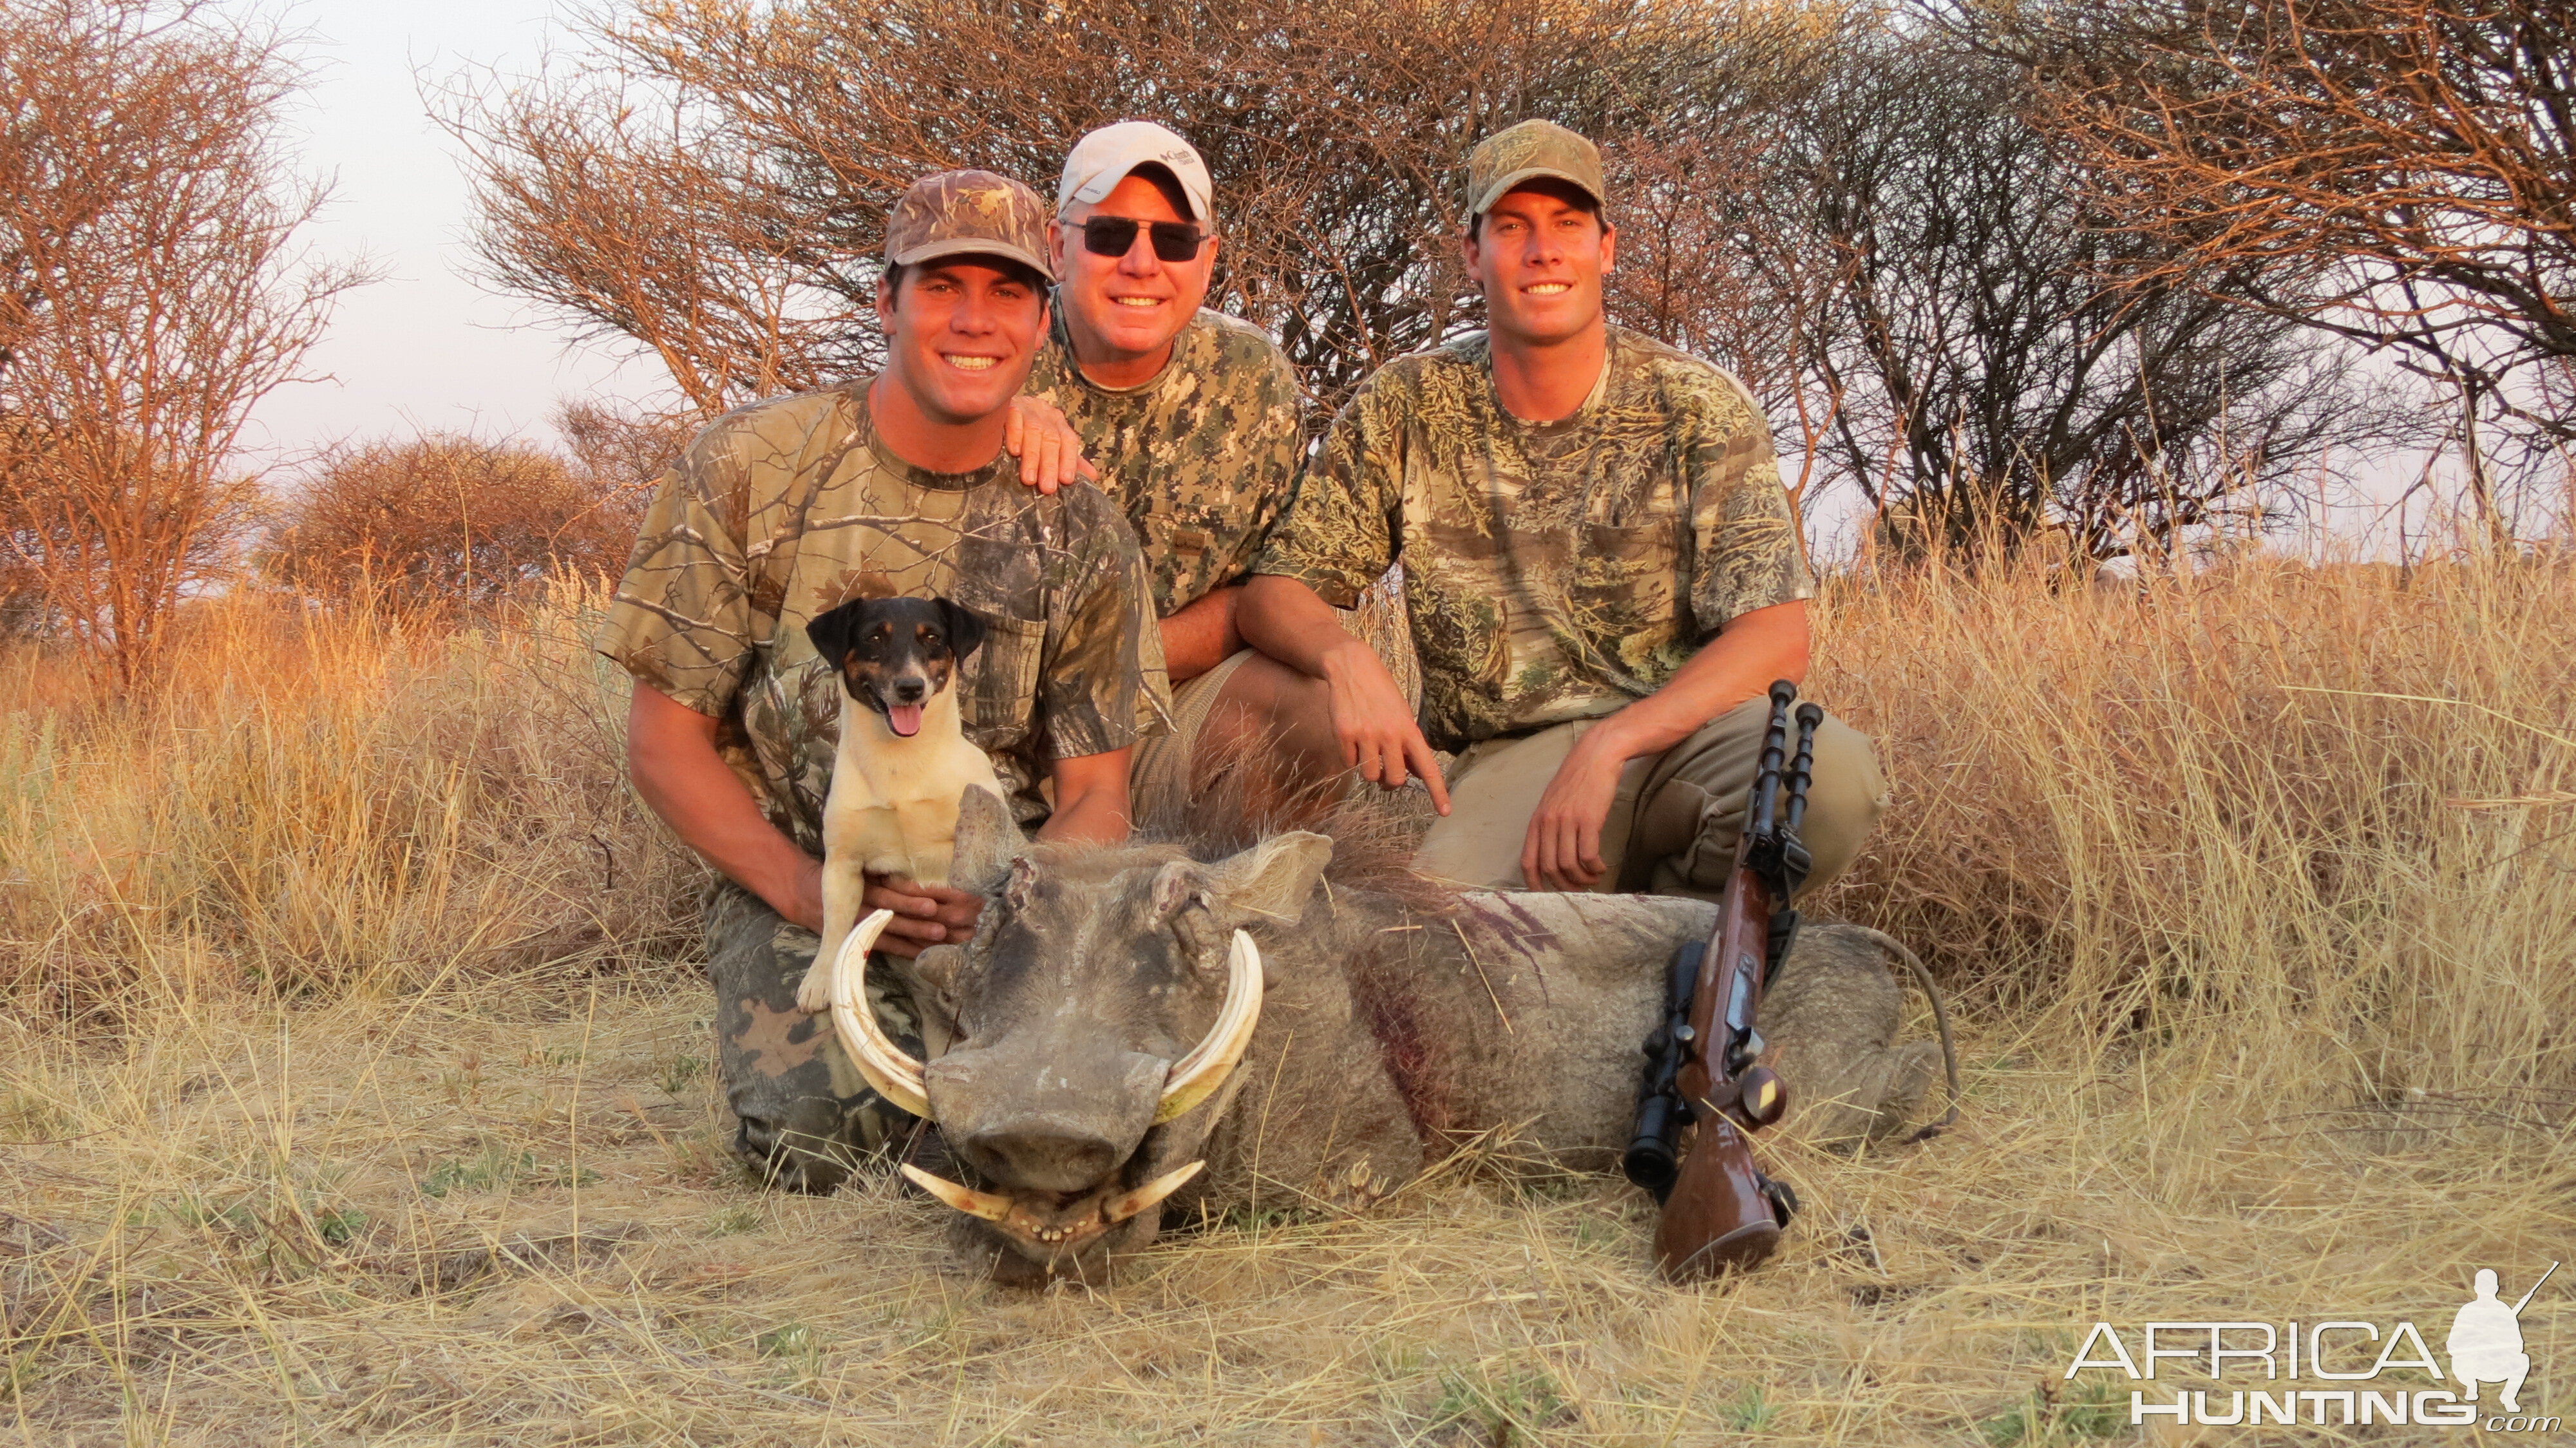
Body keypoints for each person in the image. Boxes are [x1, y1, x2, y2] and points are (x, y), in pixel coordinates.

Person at [598, 169, 1169, 1192]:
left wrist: (1004, 902)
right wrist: (823, 901)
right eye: (943, 285)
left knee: (1118, 1106)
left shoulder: (1084, 525)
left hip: (1004, 900)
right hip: (804, 880)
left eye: (1008, 293)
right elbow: (664, 744)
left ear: (1044, 321)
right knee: (826, 1135)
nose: (975, 320)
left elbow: (1096, 797)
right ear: (885, 301)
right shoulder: (745, 464)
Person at [1231, 119, 1888, 899]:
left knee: (1832, 783)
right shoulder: (1406, 401)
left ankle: (1673, 942)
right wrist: (1345, 658)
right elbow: (1275, 590)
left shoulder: (1698, 403)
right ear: (1473, 255)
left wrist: (1611, 743)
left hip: (1685, 735)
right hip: (1510, 756)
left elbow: (1775, 636)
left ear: (1604, 248)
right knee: (1451, 952)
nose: (1542, 251)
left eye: (1567, 225)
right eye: (1512, 228)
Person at [1018, 120, 1305, 814]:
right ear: (1058, 247)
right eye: (1110, 235)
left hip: (1161, 715)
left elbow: (1274, 591)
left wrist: (1116, 668)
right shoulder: (993, 351)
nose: (1141, 263)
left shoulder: (1252, 377)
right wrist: (990, 409)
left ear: (1206, 260)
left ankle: (1233, 909)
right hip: (997, 727)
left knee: (1309, 707)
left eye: (1173, 240)